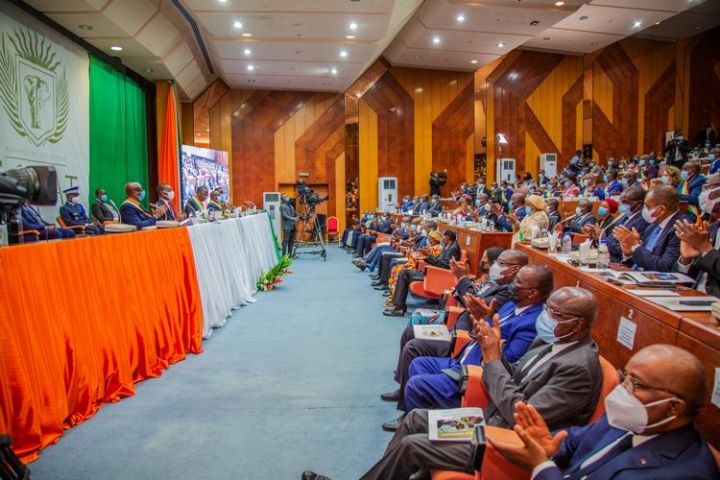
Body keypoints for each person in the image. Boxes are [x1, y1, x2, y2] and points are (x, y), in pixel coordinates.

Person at [302, 287, 603, 480]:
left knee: (412, 446)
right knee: (416, 417)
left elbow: (520, 415)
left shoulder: (578, 369)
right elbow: (512, 378)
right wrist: (494, 356)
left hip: (504, 441)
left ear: (577, 324)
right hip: (487, 420)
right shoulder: (549, 341)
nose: (546, 317)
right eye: (548, 309)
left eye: (555, 314)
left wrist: (492, 359)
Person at [489, 345, 719, 480]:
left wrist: (541, 466)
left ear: (673, 406)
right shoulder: (626, 420)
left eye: (636, 384)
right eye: (624, 377)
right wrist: (549, 449)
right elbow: (573, 441)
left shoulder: (685, 473)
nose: (622, 389)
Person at [384, 265, 551, 430]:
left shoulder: (531, 322)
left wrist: (488, 335)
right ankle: (417, 414)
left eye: (518, 282)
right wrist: (483, 318)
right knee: (417, 363)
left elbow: (509, 360)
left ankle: (416, 424)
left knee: (416, 384)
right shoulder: (512, 305)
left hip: (473, 373)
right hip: (462, 356)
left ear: (532, 292)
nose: (512, 285)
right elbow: (483, 322)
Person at [382, 249, 526, 413]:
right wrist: (463, 286)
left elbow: (472, 302)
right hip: (456, 330)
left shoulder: (506, 291)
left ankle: (410, 402)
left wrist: (462, 278)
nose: (493, 266)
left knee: (413, 346)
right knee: (410, 334)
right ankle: (403, 390)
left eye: (500, 263)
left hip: (461, 338)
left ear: (515, 269)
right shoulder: (492, 283)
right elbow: (465, 296)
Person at [383, 229, 460, 316]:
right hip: (434, 272)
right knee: (403, 272)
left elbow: (444, 265)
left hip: (438, 276)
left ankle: (399, 308)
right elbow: (439, 260)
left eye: (443, 236)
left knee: (404, 273)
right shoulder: (448, 246)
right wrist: (427, 256)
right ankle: (398, 306)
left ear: (448, 237)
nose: (442, 238)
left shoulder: (453, 249)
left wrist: (428, 255)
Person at [614, 185, 683, 271]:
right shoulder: (652, 225)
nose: (643, 209)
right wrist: (630, 253)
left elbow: (665, 266)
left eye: (647, 206)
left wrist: (635, 247)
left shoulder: (679, 228)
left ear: (661, 209)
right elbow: (644, 256)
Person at [675, 172, 720, 295]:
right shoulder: (711, 228)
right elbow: (680, 277)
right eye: (708, 187)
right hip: (693, 294)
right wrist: (686, 260)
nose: (710, 191)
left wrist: (705, 249)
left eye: (715, 186)